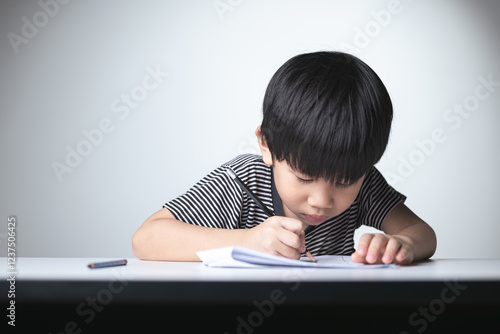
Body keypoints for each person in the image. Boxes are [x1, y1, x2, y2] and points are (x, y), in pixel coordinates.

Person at [132, 51, 437, 265]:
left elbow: (423, 233)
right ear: (267, 145)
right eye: (304, 177)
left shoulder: (364, 183)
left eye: (344, 181)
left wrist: (403, 245)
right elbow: (146, 238)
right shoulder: (242, 181)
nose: (321, 199)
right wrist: (247, 241)